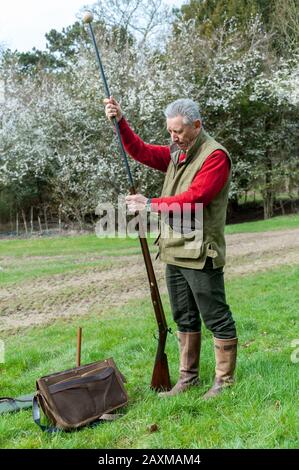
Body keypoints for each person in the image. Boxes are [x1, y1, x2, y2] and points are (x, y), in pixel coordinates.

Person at [104, 96, 237, 399]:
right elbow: (139, 151)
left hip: (201, 251)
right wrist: (120, 122)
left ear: (197, 125)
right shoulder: (178, 153)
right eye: (170, 132)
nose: (172, 138)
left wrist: (149, 204)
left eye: (178, 131)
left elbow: (196, 198)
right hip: (174, 249)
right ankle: (188, 379)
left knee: (215, 316)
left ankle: (224, 383)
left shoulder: (214, 156)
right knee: (183, 317)